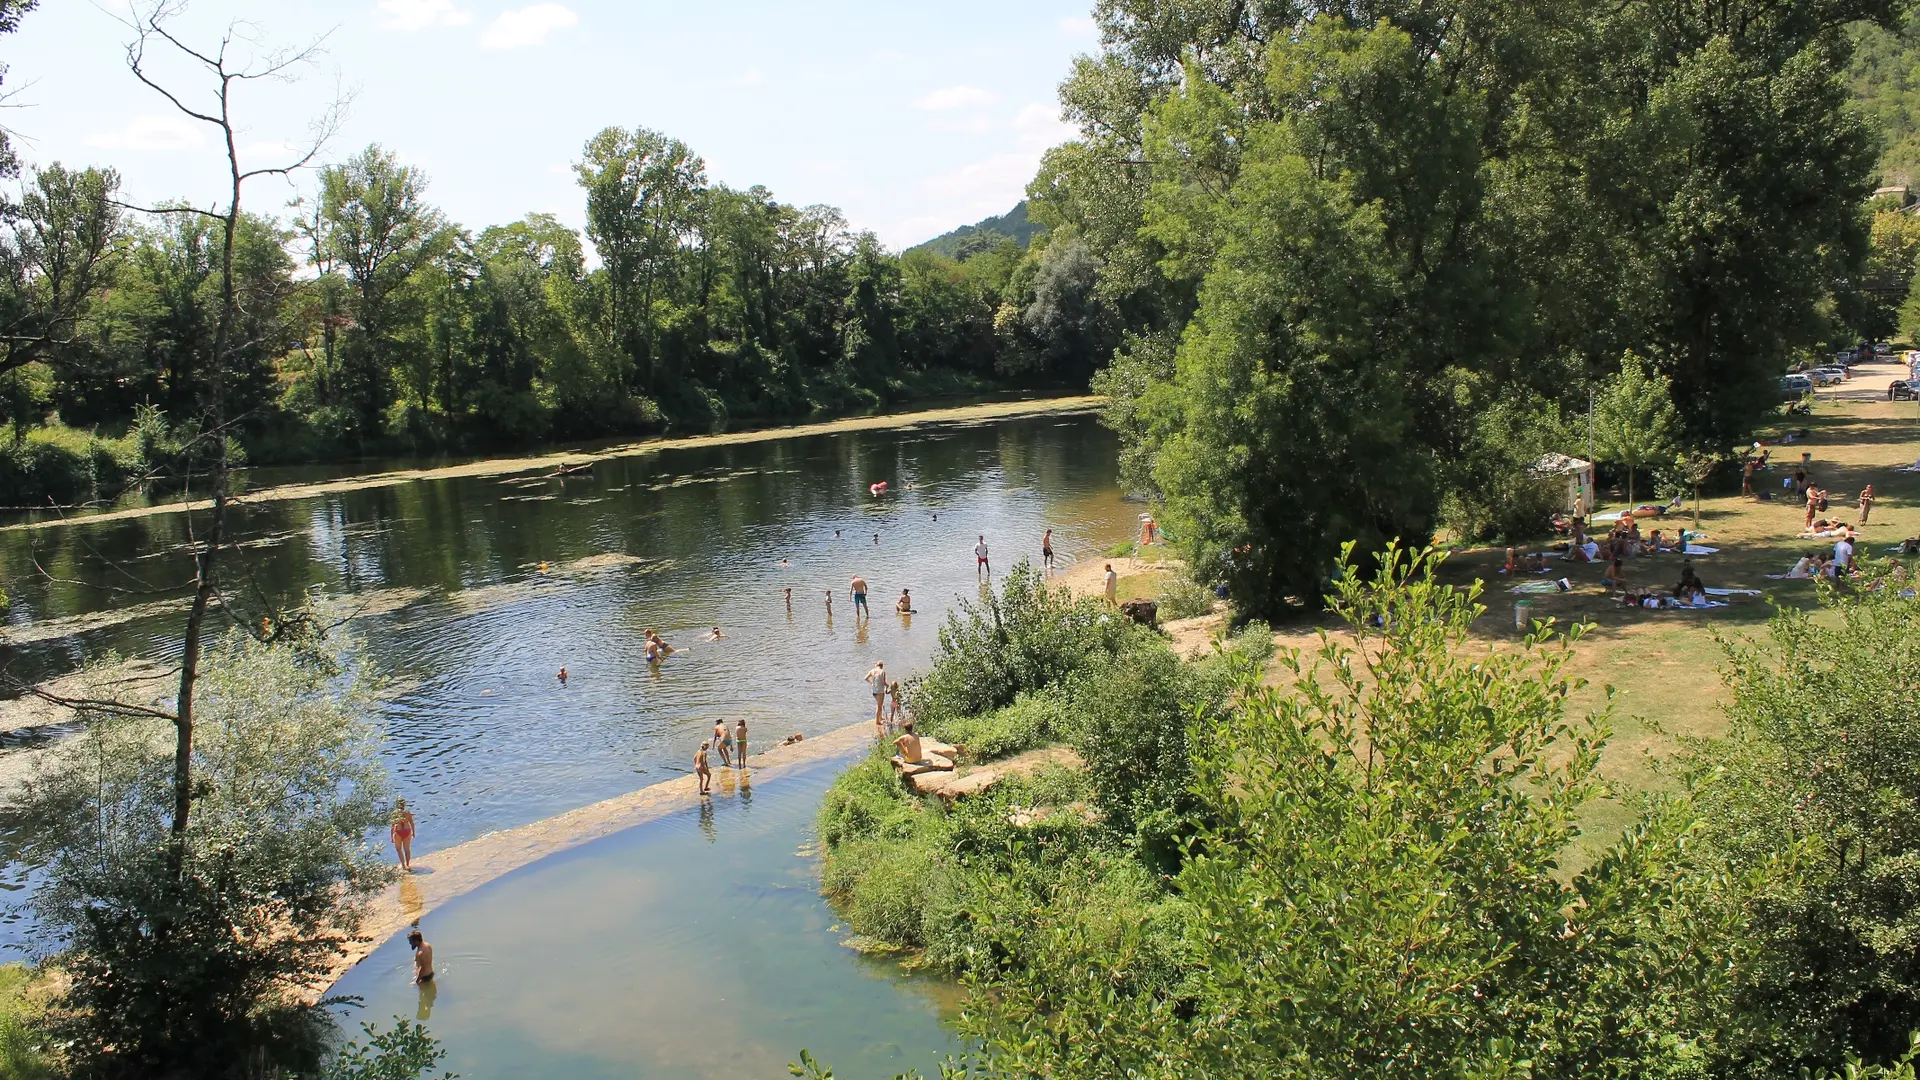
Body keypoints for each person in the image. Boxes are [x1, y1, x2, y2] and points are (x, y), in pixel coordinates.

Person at [390, 798, 416, 872]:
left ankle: (403, 865)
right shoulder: (407, 812)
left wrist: (392, 836)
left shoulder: (394, 813)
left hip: (398, 831)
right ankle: (407, 864)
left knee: (399, 849)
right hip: (407, 831)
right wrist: (413, 832)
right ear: (404, 804)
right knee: (407, 849)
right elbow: (412, 823)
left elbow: (392, 826)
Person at [865, 660, 889, 731]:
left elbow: (865, 678)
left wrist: (871, 683)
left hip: (874, 691)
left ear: (876, 665)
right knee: (879, 706)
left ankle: (880, 717)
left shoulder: (872, 671)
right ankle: (877, 721)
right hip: (880, 691)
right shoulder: (882, 671)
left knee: (879, 704)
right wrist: (887, 685)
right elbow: (883, 682)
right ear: (882, 666)